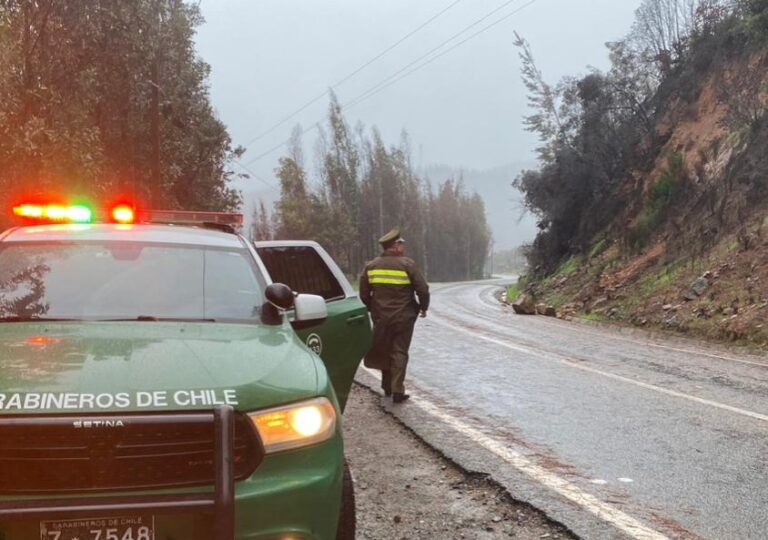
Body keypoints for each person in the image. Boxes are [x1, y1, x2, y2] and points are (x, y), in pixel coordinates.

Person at [359, 227, 429, 403]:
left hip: (381, 317)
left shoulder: (371, 266)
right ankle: (398, 390)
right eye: (401, 243)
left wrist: (373, 309)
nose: (402, 246)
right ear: (395, 246)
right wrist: (423, 307)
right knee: (399, 351)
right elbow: (423, 289)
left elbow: (364, 294)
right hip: (404, 317)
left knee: (384, 348)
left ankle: (387, 387)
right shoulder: (408, 265)